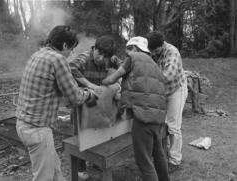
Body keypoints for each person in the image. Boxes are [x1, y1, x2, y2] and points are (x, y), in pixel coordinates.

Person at [15, 25, 97, 181]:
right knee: (44, 177)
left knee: (55, 173)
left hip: (24, 124)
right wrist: (90, 94)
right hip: (37, 129)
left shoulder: (38, 55)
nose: (71, 53)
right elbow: (75, 97)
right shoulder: (58, 59)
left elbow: (54, 89)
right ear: (65, 45)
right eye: (72, 49)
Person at [102, 36, 170, 181]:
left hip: (143, 116)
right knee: (158, 153)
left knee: (144, 161)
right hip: (158, 117)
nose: (127, 54)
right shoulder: (154, 64)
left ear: (134, 48)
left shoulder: (133, 57)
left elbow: (117, 75)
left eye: (128, 50)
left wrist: (105, 82)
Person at [69, 35, 122, 180]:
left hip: (99, 101)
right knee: (80, 134)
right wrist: (89, 85)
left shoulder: (111, 58)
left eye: (106, 57)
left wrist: (118, 86)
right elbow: (71, 68)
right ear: (95, 49)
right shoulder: (84, 57)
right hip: (82, 101)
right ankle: (80, 168)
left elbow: (125, 67)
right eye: (100, 56)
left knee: (98, 130)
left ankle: (96, 162)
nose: (102, 60)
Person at [147, 31, 188, 173]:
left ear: (161, 45)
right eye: (150, 51)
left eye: (155, 50)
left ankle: (175, 160)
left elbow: (167, 76)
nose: (152, 54)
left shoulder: (172, 52)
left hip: (177, 89)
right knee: (162, 124)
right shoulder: (153, 52)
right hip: (163, 91)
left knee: (173, 125)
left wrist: (148, 83)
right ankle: (164, 154)